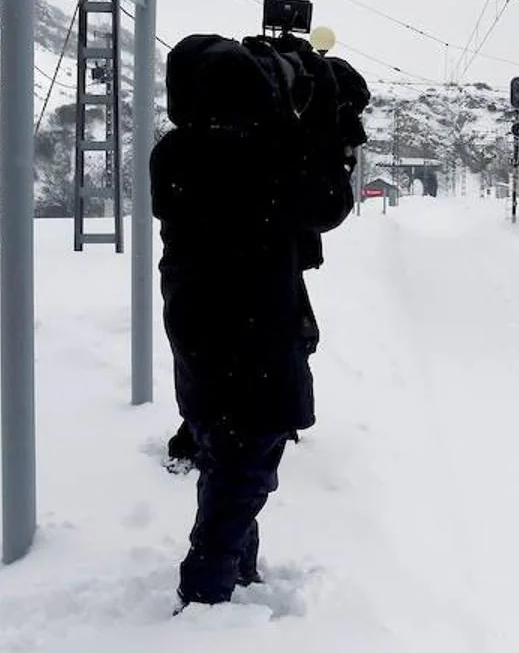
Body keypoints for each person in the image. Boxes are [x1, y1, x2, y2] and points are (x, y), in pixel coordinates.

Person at [152, 31, 369, 609]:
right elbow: (327, 205)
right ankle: (206, 594)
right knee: (247, 462)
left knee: (222, 446)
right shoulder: (269, 155)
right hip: (253, 329)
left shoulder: (176, 150)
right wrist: (323, 117)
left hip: (196, 322)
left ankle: (238, 575)